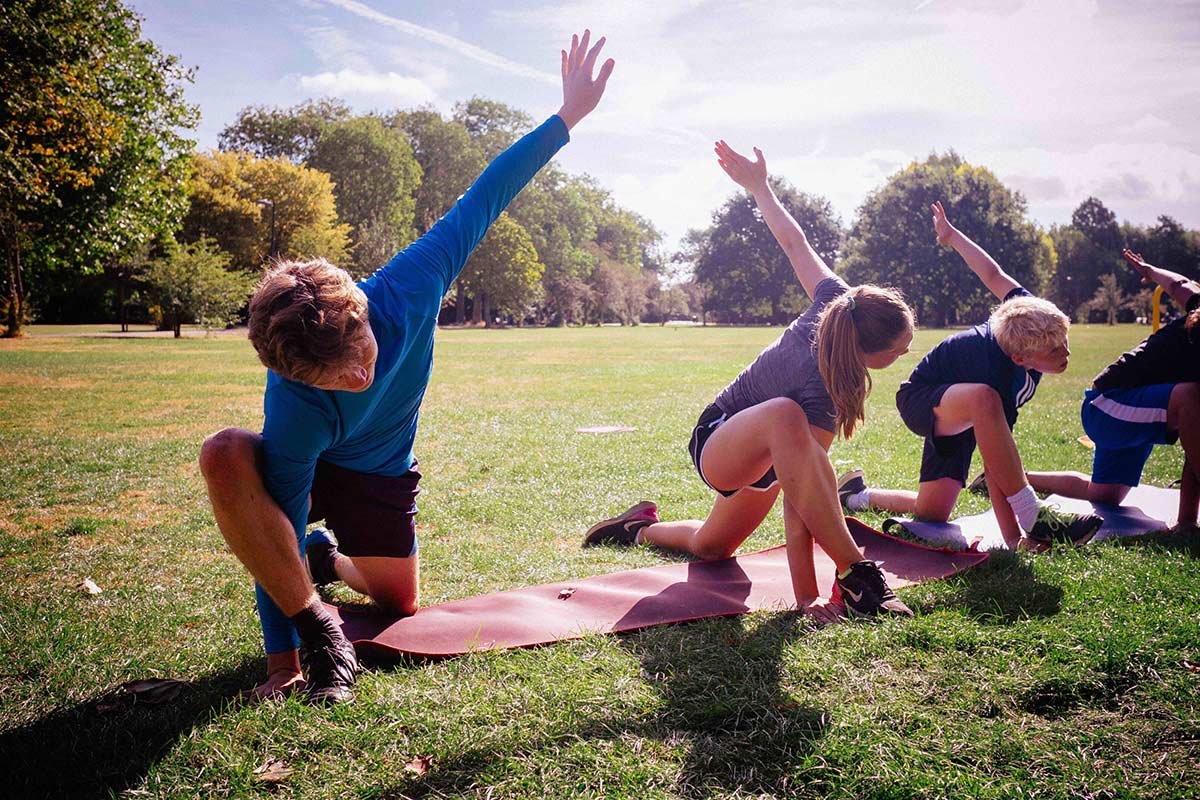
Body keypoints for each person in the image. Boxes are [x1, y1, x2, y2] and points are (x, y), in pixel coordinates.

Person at [199, 30, 615, 704]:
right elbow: (273, 511)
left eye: (359, 355)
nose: (358, 378)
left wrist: (567, 116)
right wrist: (286, 663)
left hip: (379, 468)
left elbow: (486, 194)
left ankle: (323, 558)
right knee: (225, 454)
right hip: (307, 458)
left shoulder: (410, 286)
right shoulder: (295, 400)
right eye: (334, 378)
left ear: (364, 311)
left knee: (400, 603)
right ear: (303, 376)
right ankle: (307, 597)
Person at [584, 140, 916, 624]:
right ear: (866, 350)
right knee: (788, 420)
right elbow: (800, 500)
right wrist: (806, 598)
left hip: (764, 453)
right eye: (898, 350)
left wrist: (761, 188)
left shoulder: (841, 301)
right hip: (721, 440)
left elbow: (795, 243)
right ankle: (858, 575)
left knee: (712, 547)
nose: (905, 354)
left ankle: (636, 528)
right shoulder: (820, 378)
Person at [837, 202, 1102, 549]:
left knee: (932, 513)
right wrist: (1015, 538)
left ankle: (856, 496)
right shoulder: (995, 375)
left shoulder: (1028, 312)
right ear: (1020, 357)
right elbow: (996, 466)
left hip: (962, 403)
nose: (1065, 354)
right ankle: (1034, 515)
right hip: (923, 400)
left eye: (1064, 342)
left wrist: (952, 236)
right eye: (1053, 351)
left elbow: (992, 273)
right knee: (984, 401)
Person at [1018, 249, 1200, 529]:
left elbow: (1179, 285)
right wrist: (1187, 522)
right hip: (1107, 406)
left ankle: (1015, 477)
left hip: (1135, 413)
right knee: (1191, 397)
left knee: (1103, 497)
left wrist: (1151, 272)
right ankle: (1186, 523)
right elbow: (1182, 286)